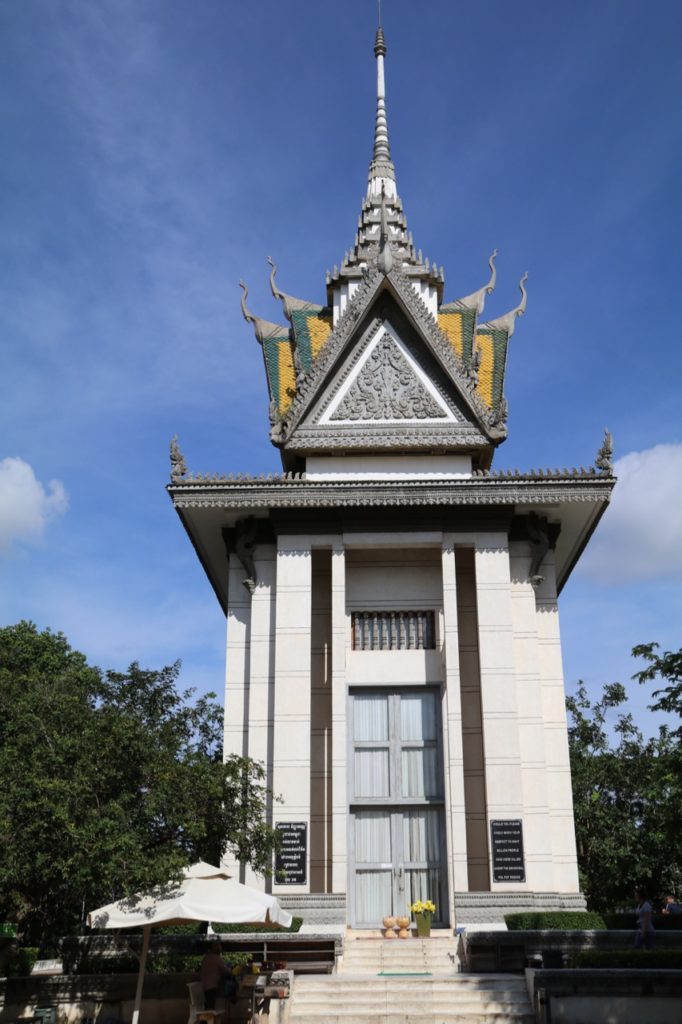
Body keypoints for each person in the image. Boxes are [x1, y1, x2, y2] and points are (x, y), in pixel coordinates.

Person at [200, 940, 230, 1009]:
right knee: (210, 1007)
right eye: (220, 948)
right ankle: (208, 1019)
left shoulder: (206, 957)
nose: (221, 950)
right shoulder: (216, 958)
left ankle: (205, 1019)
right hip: (211, 986)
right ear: (217, 949)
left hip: (203, 986)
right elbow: (226, 970)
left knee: (206, 1007)